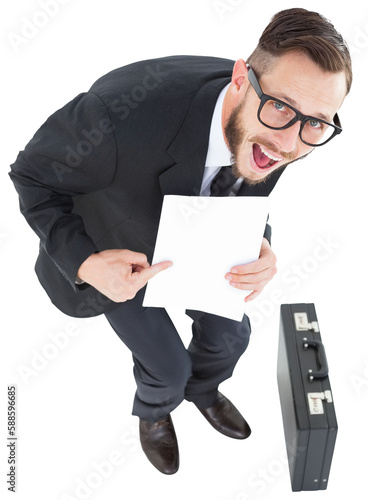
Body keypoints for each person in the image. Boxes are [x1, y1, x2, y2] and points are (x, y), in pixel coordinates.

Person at [9, 8, 352, 475]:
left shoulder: (282, 120)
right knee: (167, 366)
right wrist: (87, 264)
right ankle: (154, 411)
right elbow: (31, 176)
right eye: (281, 108)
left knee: (232, 339)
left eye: (316, 123)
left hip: (202, 237)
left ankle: (203, 392)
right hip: (118, 250)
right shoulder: (117, 114)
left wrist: (260, 239)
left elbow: (251, 176)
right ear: (239, 78)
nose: (291, 143)